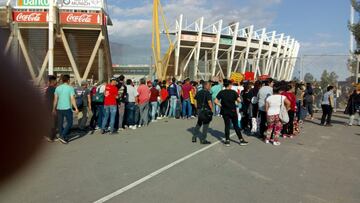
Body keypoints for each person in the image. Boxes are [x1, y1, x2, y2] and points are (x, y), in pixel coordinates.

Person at [215, 79, 248, 147]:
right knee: (235, 125)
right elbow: (239, 100)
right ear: (229, 85)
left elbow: (215, 101)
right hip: (232, 110)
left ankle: (227, 140)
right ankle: (241, 140)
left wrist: (220, 105)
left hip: (224, 111)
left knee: (227, 125)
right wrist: (236, 101)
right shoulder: (233, 92)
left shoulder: (221, 92)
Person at [52, 74, 79, 144]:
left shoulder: (57, 88)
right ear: (68, 80)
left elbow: (55, 99)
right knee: (70, 123)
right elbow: (72, 99)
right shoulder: (70, 88)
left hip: (59, 108)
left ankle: (62, 136)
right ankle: (62, 136)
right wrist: (76, 108)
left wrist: (53, 109)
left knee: (60, 124)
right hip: (67, 108)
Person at [45, 75, 58, 142]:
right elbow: (54, 100)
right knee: (54, 123)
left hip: (48, 108)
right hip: (53, 108)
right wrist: (54, 109)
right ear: (53, 81)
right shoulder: (54, 89)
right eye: (56, 80)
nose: (57, 81)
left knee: (53, 122)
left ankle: (52, 136)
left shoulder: (48, 89)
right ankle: (51, 137)